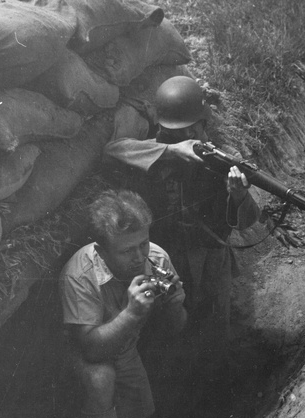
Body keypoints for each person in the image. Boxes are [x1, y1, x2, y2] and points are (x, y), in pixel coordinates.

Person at [59, 188, 187, 418]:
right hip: (83, 352)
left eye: (143, 243)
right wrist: (132, 315)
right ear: (100, 251)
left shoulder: (155, 258)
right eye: (127, 249)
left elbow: (177, 329)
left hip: (126, 346)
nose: (138, 256)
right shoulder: (79, 274)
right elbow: (90, 347)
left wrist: (174, 303)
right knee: (101, 379)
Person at [103, 75, 261, 330]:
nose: (188, 137)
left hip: (210, 259)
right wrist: (171, 151)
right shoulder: (154, 152)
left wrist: (238, 195)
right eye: (173, 133)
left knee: (213, 331)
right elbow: (114, 150)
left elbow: (248, 221)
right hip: (164, 259)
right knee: (170, 333)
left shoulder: (221, 158)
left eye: (191, 131)